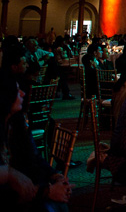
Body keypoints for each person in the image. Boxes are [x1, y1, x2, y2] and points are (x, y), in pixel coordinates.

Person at [0, 72, 72, 211]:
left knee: (59, 204)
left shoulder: (17, 124)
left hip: (26, 189)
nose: (23, 94)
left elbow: (34, 157)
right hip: (12, 197)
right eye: (16, 91)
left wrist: (55, 176)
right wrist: (46, 192)